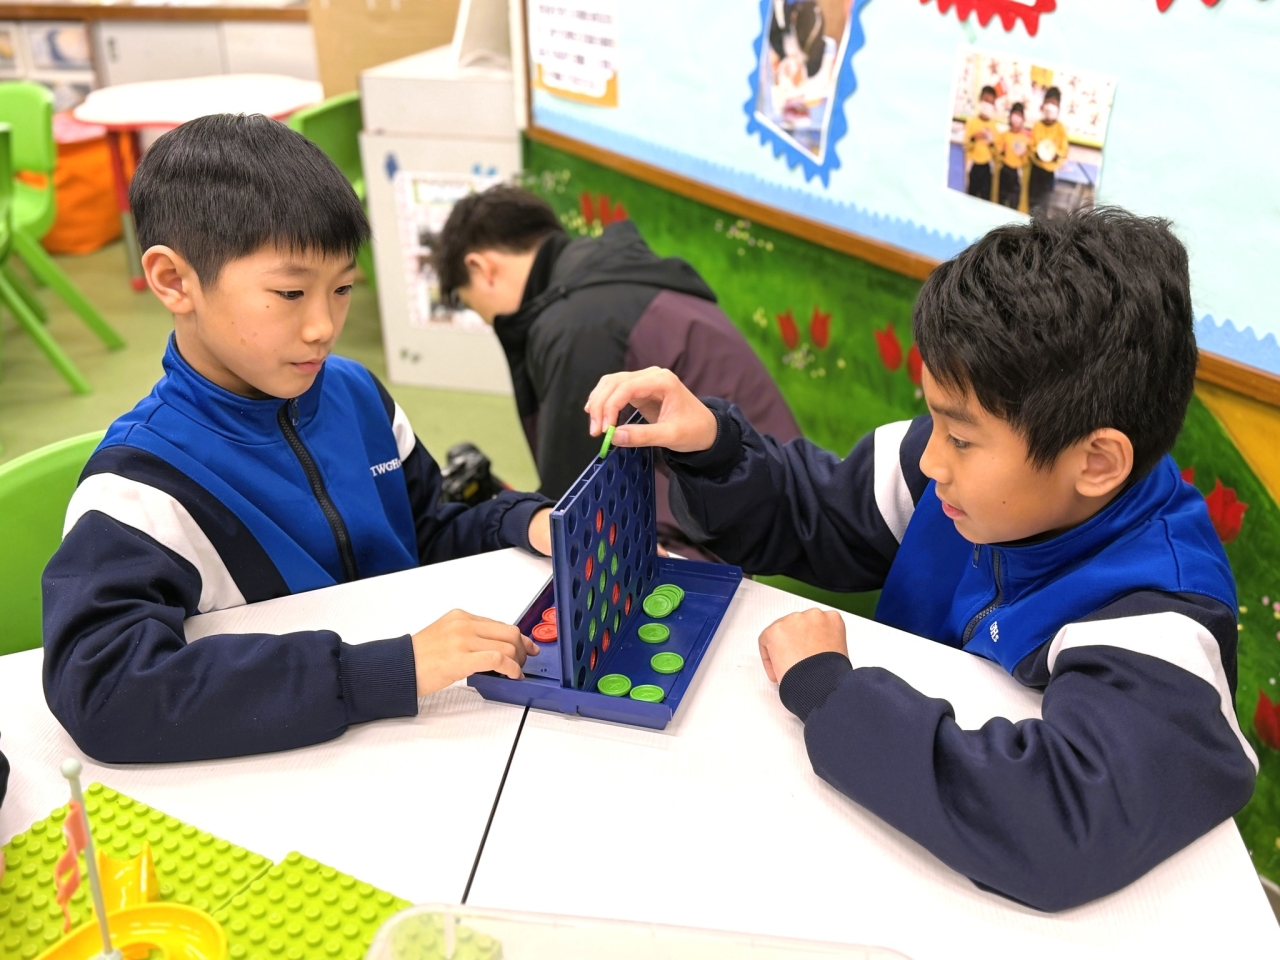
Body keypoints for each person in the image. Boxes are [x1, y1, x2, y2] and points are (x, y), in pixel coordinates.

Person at [582, 208, 1256, 912]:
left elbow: (1056, 823)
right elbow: (813, 512)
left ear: (1095, 462)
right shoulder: (953, 480)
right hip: (887, 851)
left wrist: (830, 693)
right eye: (933, 419)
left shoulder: (1162, 609)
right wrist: (715, 447)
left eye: (960, 437)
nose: (930, 458)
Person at [42, 115, 553, 764]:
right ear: (173, 281)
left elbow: (424, 532)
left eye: (341, 289)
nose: (322, 327)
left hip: (417, 736)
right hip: (283, 768)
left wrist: (522, 521)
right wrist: (382, 671)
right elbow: (108, 692)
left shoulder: (356, 394)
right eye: (290, 292)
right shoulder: (142, 483)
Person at [433, 185, 801, 559]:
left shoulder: (575, 325)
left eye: (472, 305)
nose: (488, 320)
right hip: (771, 477)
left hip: (728, 518)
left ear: (481, 268)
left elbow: (576, 508)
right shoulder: (612, 277)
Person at [1029, 87, 1069, 217]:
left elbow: (1064, 152)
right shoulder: (1037, 125)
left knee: (1044, 205)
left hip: (1049, 174)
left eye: (1054, 103)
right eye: (1048, 102)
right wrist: (1036, 154)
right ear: (1043, 104)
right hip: (1035, 170)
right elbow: (1031, 147)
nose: (1050, 106)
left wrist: (1056, 156)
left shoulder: (1060, 129)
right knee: (1032, 203)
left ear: (1058, 107)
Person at [963, 86, 998, 202]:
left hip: (987, 167)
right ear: (980, 99)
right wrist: (974, 137)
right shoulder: (971, 122)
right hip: (973, 165)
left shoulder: (993, 126)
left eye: (990, 103)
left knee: (985, 198)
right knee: (971, 197)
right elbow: (965, 145)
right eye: (985, 100)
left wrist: (991, 143)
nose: (987, 105)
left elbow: (997, 152)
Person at [996, 102, 1031, 210]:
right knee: (1001, 200)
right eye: (1015, 114)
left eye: (1019, 115)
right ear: (1010, 116)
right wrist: (1002, 152)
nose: (1016, 118)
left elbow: (1026, 161)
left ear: (1023, 119)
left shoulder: (1025, 139)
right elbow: (998, 154)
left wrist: (1024, 154)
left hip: (1017, 173)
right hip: (1005, 170)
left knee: (1014, 203)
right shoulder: (1004, 135)